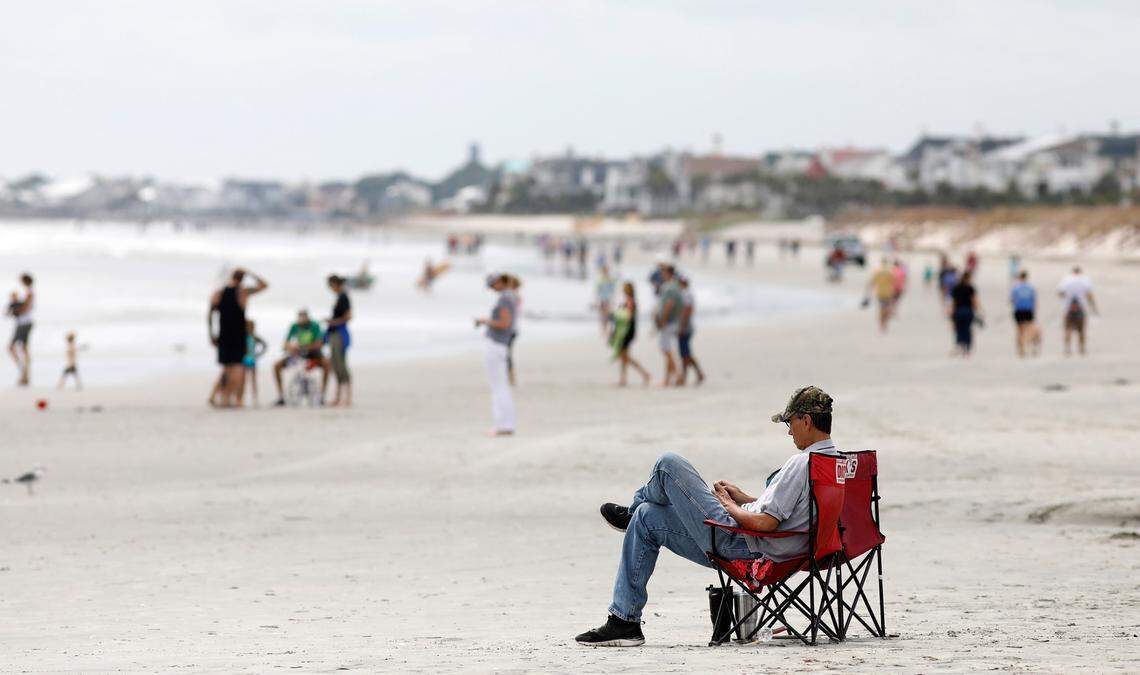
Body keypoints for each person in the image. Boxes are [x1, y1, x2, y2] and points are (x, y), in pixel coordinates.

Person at [575, 386, 841, 647]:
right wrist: (744, 499)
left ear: (806, 421)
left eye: (790, 423)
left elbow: (766, 523)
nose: (789, 431)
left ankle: (630, 512)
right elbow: (793, 513)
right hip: (785, 547)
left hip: (743, 545)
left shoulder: (801, 462)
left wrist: (727, 505)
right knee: (647, 517)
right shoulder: (835, 463)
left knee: (668, 464)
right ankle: (624, 622)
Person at [208, 269, 267, 407]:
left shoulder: (219, 293)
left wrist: (211, 334)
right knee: (238, 366)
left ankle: (224, 398)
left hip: (223, 333)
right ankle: (236, 399)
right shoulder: (243, 292)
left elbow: (210, 315)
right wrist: (251, 273)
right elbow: (264, 285)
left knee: (226, 367)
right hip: (239, 333)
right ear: (242, 278)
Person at [475, 274, 516, 435]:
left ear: (500, 282)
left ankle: (503, 425)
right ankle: (505, 424)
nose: (492, 289)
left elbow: (505, 323)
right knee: (500, 386)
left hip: (497, 345)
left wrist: (485, 321)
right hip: (501, 345)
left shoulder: (505, 299)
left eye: (493, 285)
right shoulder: (510, 296)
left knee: (498, 387)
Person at [272, 309, 329, 406]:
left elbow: (319, 343)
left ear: (308, 318)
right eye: (300, 319)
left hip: (312, 354)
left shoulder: (314, 326)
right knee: (276, 365)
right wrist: (290, 347)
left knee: (327, 363)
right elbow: (285, 344)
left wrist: (303, 347)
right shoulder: (294, 326)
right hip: (296, 355)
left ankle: (322, 396)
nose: (301, 321)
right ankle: (281, 397)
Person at [609, 282, 650, 387]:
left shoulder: (630, 301)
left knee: (624, 356)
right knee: (623, 356)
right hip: (625, 330)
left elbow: (628, 317)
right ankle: (624, 378)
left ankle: (644, 373)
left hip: (626, 330)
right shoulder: (628, 301)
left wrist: (616, 314)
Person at [1057, 266, 1098, 356]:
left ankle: (1067, 349)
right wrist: (1094, 308)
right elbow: (1089, 295)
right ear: (1080, 272)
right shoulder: (1085, 280)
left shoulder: (1066, 280)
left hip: (1068, 307)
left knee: (1068, 329)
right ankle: (1081, 348)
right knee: (1082, 329)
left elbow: (1060, 293)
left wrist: (1066, 297)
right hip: (1081, 307)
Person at [326, 275, 353, 407]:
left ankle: (347, 398)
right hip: (334, 333)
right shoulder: (340, 297)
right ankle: (338, 397)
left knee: (341, 366)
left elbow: (349, 316)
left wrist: (333, 322)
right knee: (335, 366)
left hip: (340, 334)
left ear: (335, 284)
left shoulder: (344, 297)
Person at [654, 265, 683, 386]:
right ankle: (667, 379)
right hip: (673, 321)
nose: (661, 274)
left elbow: (669, 304)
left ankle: (678, 375)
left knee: (665, 349)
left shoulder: (669, 287)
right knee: (667, 349)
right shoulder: (675, 286)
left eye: (663, 272)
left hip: (668, 322)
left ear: (668, 273)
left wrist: (663, 321)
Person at [675, 275, 704, 386]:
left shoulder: (685, 294)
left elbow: (687, 311)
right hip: (686, 325)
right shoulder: (687, 294)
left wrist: (682, 326)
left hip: (685, 327)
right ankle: (699, 373)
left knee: (684, 353)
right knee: (686, 353)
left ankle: (684, 376)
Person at [8, 273, 34, 386]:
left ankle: (24, 374)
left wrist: (14, 311)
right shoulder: (28, 292)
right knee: (22, 349)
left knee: (13, 348)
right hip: (23, 323)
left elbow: (26, 307)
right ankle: (24, 374)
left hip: (24, 323)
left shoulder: (29, 292)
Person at [949, 270, 982, 357]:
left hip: (958, 311)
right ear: (969, 278)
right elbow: (974, 300)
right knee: (967, 329)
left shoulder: (956, 288)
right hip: (968, 310)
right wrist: (978, 310)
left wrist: (951, 311)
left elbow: (953, 302)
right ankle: (967, 348)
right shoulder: (970, 288)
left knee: (959, 329)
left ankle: (960, 345)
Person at [1010, 270, 1040, 358]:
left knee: (1019, 330)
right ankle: (1029, 347)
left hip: (1019, 310)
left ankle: (1021, 350)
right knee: (1029, 329)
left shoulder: (1016, 288)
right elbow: (1034, 300)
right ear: (1026, 277)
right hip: (1028, 310)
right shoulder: (1031, 288)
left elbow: (1012, 300)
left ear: (1020, 277)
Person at [239, 320, 268, 405]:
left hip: (252, 359)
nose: (250, 328)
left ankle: (255, 398)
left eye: (252, 327)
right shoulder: (243, 336)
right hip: (244, 360)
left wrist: (259, 354)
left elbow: (265, 345)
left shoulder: (255, 337)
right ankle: (241, 398)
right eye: (248, 327)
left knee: (253, 379)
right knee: (243, 380)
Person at [866, 259, 897, 333]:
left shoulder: (877, 272)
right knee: (887, 309)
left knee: (881, 309)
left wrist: (868, 293)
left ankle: (881, 325)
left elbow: (872, 282)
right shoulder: (890, 272)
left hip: (880, 293)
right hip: (888, 293)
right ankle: (884, 324)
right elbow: (894, 282)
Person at [505, 275, 522, 387]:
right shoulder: (516, 297)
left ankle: (511, 379)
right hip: (513, 329)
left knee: (506, 355)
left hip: (510, 330)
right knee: (507, 354)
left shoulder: (512, 297)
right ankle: (510, 378)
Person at [595, 265, 616, 336]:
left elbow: (612, 291)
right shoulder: (601, 280)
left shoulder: (609, 280)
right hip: (603, 299)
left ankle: (605, 330)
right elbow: (597, 291)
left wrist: (613, 300)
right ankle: (603, 330)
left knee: (606, 315)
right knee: (603, 315)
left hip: (607, 299)